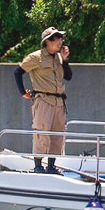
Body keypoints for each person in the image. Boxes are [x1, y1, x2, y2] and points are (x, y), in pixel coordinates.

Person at [14, 26, 72, 173]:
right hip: (44, 100)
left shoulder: (59, 57)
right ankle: (38, 166)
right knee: (41, 133)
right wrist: (23, 93)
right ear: (48, 41)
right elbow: (18, 72)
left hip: (60, 102)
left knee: (57, 134)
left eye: (60, 38)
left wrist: (65, 61)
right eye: (57, 38)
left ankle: (51, 166)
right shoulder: (35, 57)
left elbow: (69, 76)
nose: (60, 41)